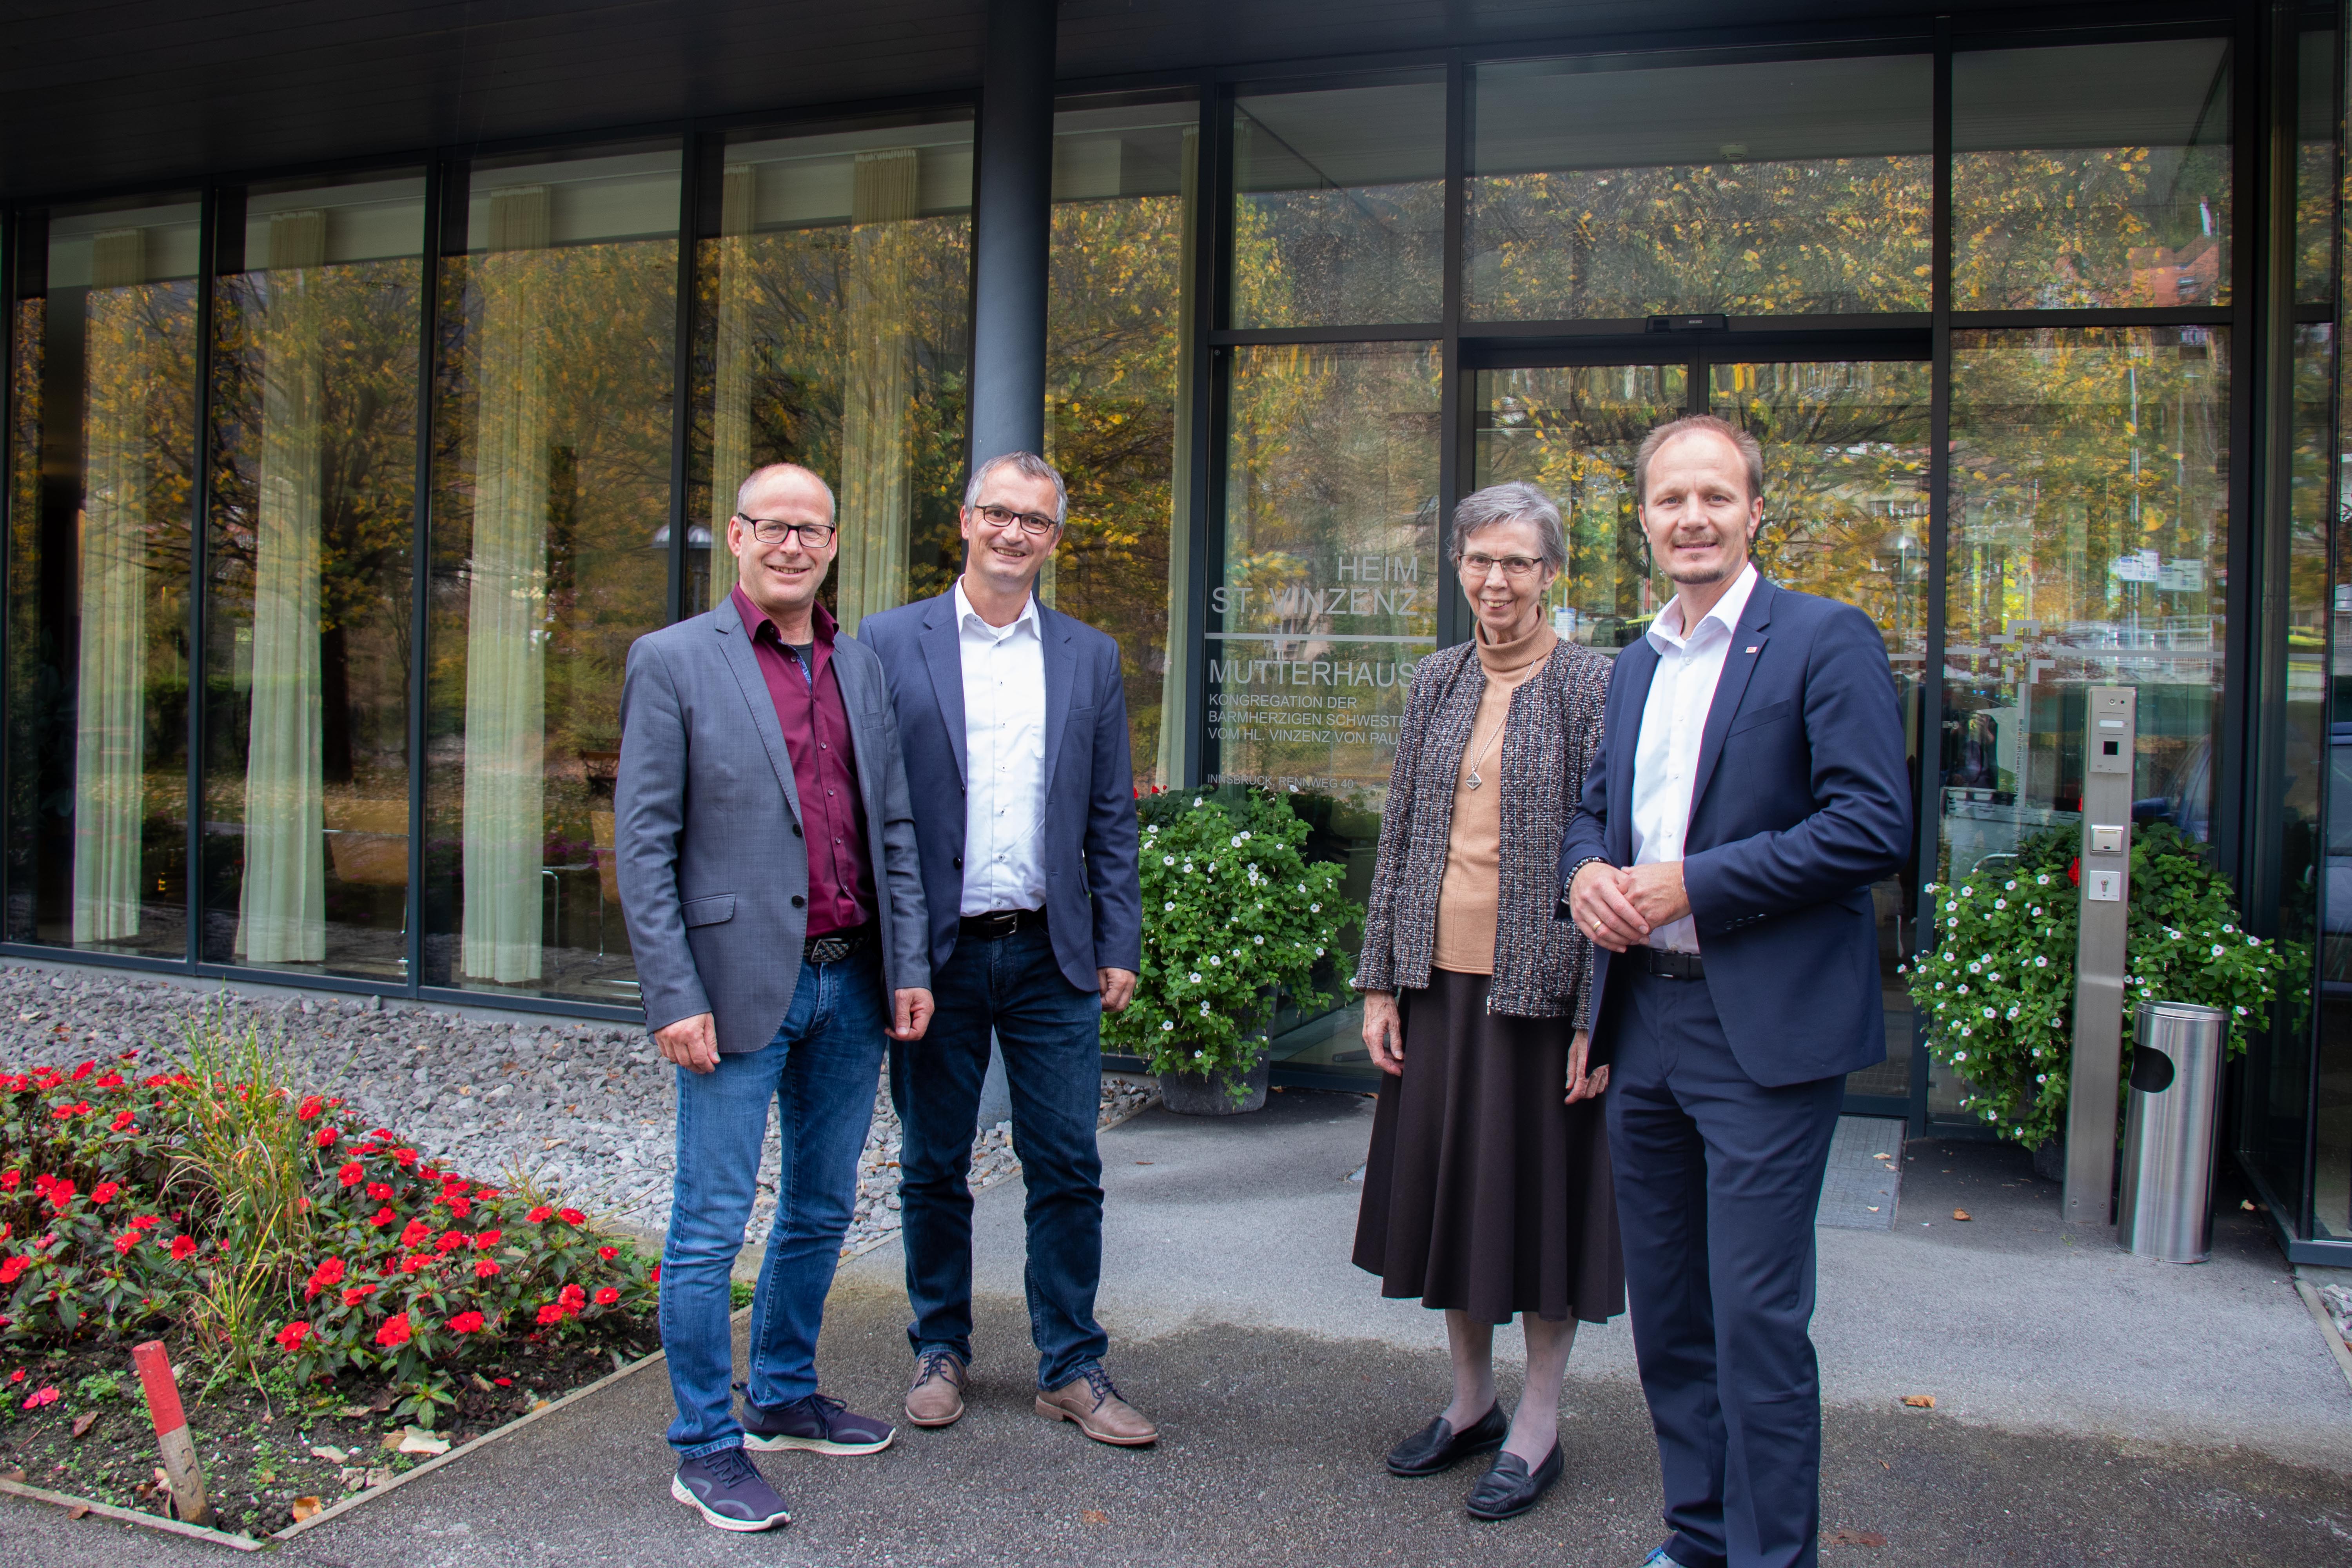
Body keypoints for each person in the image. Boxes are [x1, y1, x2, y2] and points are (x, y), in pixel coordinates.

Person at [1558, 415, 1911, 1568]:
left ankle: (1772, 1560)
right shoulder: (1637, 661)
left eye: (1716, 496)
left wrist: (1685, 888)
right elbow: (1593, 812)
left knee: (1757, 1322)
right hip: (1642, 1020)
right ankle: (1699, 1538)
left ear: (1757, 510)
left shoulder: (1822, 638)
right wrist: (1588, 880)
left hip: (1760, 1030)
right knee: (1667, 1316)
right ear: (1645, 519)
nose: (1692, 517)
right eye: (1671, 500)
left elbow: (1872, 826)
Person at [616, 462, 936, 1533]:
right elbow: (645, 845)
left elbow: (890, 824)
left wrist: (910, 968)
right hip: (734, 987)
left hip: (852, 981)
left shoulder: (861, 665)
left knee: (821, 1204)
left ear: (834, 544)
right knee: (709, 1226)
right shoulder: (672, 663)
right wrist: (673, 993)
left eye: (813, 530)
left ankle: (784, 1397)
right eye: (774, 527)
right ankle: (704, 1446)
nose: (794, 545)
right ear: (737, 537)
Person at [856, 450, 1151, 1446]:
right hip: (934, 959)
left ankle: (1071, 1362)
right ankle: (939, 1346)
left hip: (1050, 955)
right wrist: (890, 955)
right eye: (999, 513)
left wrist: (1121, 937)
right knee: (934, 1163)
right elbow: (867, 811)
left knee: (1066, 1161)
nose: (1015, 533)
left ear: (1054, 538)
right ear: (967, 518)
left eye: (1036, 520)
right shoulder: (890, 643)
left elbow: (1112, 813)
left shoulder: (1087, 655)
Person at [1351, 480, 1621, 1523]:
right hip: (1434, 982)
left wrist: (1601, 1013)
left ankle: (1540, 1424)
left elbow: (1616, 854)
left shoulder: (1598, 684)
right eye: (1479, 560)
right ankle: (1471, 1404)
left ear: (1551, 573)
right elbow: (1402, 835)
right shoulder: (1435, 679)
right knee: (1453, 1198)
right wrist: (1380, 979)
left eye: (1518, 562)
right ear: (1458, 568)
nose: (1496, 580)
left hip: (1542, 995)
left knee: (1539, 1209)